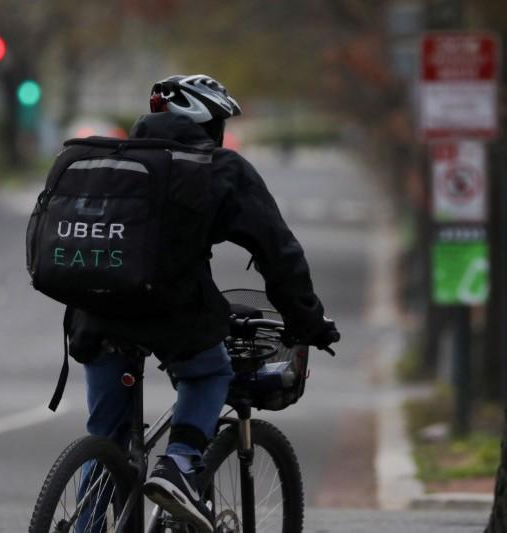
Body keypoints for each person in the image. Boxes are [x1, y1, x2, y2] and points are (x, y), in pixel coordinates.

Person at [68, 74, 339, 532]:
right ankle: (181, 463)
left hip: (95, 314)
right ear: (205, 123)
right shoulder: (218, 167)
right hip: (171, 313)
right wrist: (307, 320)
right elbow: (278, 251)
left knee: (108, 440)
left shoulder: (108, 158)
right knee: (211, 370)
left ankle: (85, 525)